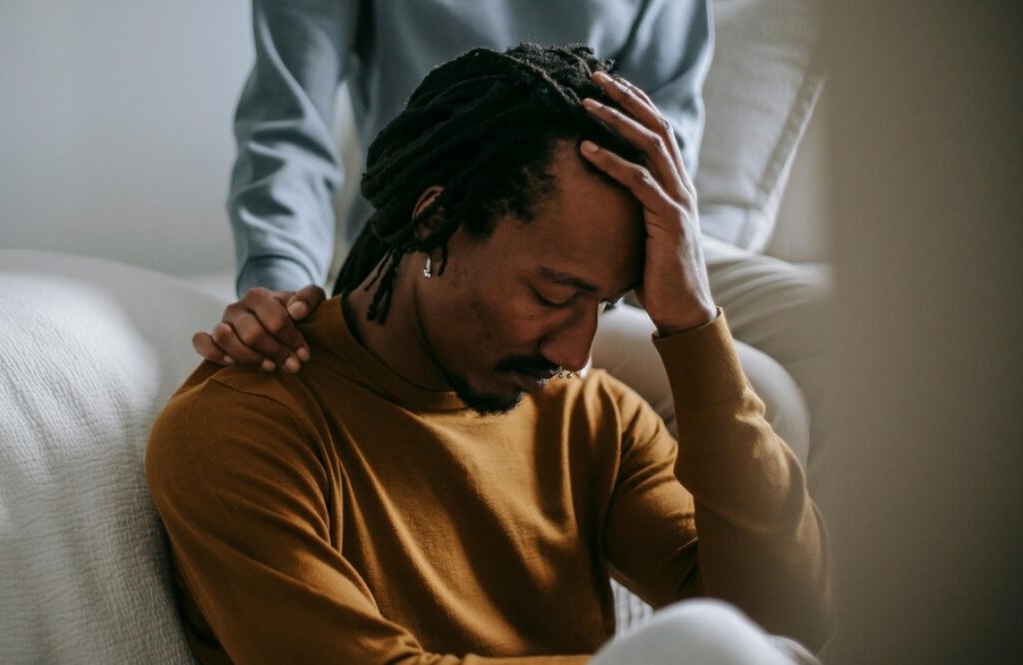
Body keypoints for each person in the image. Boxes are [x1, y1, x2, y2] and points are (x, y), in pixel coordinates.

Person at [147, 44, 834, 664]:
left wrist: (692, 321)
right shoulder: (240, 431)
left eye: (608, 303)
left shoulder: (594, 417)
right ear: (434, 219)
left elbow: (789, 619)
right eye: (552, 291)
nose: (576, 350)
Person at [194, 0, 824, 470]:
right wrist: (279, 284)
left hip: (614, 240)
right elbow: (288, 121)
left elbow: (668, 121)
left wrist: (669, 281)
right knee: (767, 394)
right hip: (448, 238)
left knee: (840, 331)